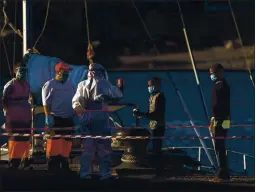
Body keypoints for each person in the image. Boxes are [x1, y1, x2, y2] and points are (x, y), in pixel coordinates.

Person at [72, 62, 123, 180]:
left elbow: (75, 102)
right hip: (101, 118)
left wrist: (82, 113)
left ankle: (85, 174)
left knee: (87, 149)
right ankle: (105, 174)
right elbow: (118, 94)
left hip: (86, 118)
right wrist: (120, 87)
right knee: (104, 148)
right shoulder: (104, 83)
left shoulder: (82, 84)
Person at [42, 61, 75, 172]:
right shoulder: (49, 85)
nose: (67, 73)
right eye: (65, 71)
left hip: (68, 118)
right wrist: (48, 119)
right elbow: (46, 104)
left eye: (68, 72)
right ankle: (52, 166)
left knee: (67, 142)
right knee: (54, 143)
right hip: (56, 118)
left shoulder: (70, 84)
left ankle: (65, 165)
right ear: (58, 71)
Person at [133, 77, 166, 179]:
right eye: (148, 85)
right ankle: (155, 169)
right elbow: (150, 113)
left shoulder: (160, 97)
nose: (149, 87)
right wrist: (140, 114)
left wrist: (142, 115)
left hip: (158, 126)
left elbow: (156, 114)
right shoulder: (151, 96)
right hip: (152, 125)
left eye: (151, 85)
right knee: (152, 147)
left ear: (157, 85)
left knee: (157, 149)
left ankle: (159, 171)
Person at [2, 62, 32, 169]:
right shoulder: (10, 85)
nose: (22, 72)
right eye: (20, 70)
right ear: (15, 71)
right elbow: (4, 102)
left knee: (25, 139)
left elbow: (29, 99)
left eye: (24, 70)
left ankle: (24, 160)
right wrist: (9, 118)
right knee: (15, 139)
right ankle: (13, 162)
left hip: (26, 117)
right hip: (14, 117)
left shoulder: (27, 84)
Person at [209, 63, 230, 181]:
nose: (212, 75)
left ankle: (222, 171)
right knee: (221, 144)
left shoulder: (219, 85)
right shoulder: (224, 85)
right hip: (225, 118)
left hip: (219, 119)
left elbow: (216, 105)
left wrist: (213, 118)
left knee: (218, 145)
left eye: (213, 73)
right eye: (211, 73)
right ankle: (223, 171)